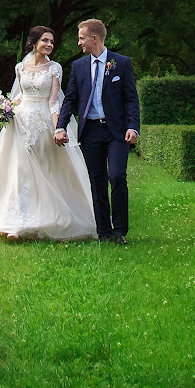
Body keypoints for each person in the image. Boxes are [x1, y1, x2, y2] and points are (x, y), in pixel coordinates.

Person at [0, 27, 98, 240]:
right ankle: (16, 224)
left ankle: (49, 218)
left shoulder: (54, 68)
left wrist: (58, 128)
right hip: (19, 124)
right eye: (45, 40)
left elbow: (54, 101)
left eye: (52, 42)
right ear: (34, 43)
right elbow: (19, 97)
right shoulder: (20, 67)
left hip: (42, 123)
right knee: (19, 171)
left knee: (46, 169)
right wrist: (3, 108)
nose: (49, 45)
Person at [54, 17, 139, 243]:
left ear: (94, 38)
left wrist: (133, 127)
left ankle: (119, 230)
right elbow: (70, 99)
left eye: (81, 38)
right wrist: (60, 126)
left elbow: (131, 99)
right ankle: (104, 232)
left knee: (117, 176)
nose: (79, 43)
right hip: (90, 132)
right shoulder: (79, 66)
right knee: (97, 180)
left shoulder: (121, 63)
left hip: (117, 131)